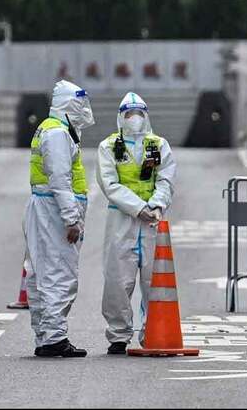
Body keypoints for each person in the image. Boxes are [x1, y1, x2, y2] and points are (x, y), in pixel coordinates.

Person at [96, 92, 176, 355]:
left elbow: (166, 179)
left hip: (152, 221)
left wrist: (155, 205)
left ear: (146, 115)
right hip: (122, 219)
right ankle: (118, 335)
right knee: (118, 278)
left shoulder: (158, 144)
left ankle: (152, 331)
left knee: (154, 279)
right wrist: (137, 207)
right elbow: (110, 184)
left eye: (139, 114)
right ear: (121, 117)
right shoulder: (109, 146)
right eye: (129, 114)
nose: (134, 119)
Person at [24, 79, 95, 358]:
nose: (83, 108)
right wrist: (71, 219)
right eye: (79, 103)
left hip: (45, 207)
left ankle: (45, 335)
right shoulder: (57, 134)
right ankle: (54, 337)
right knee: (59, 273)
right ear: (68, 103)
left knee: (43, 271)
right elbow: (60, 179)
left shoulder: (54, 128)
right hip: (54, 210)